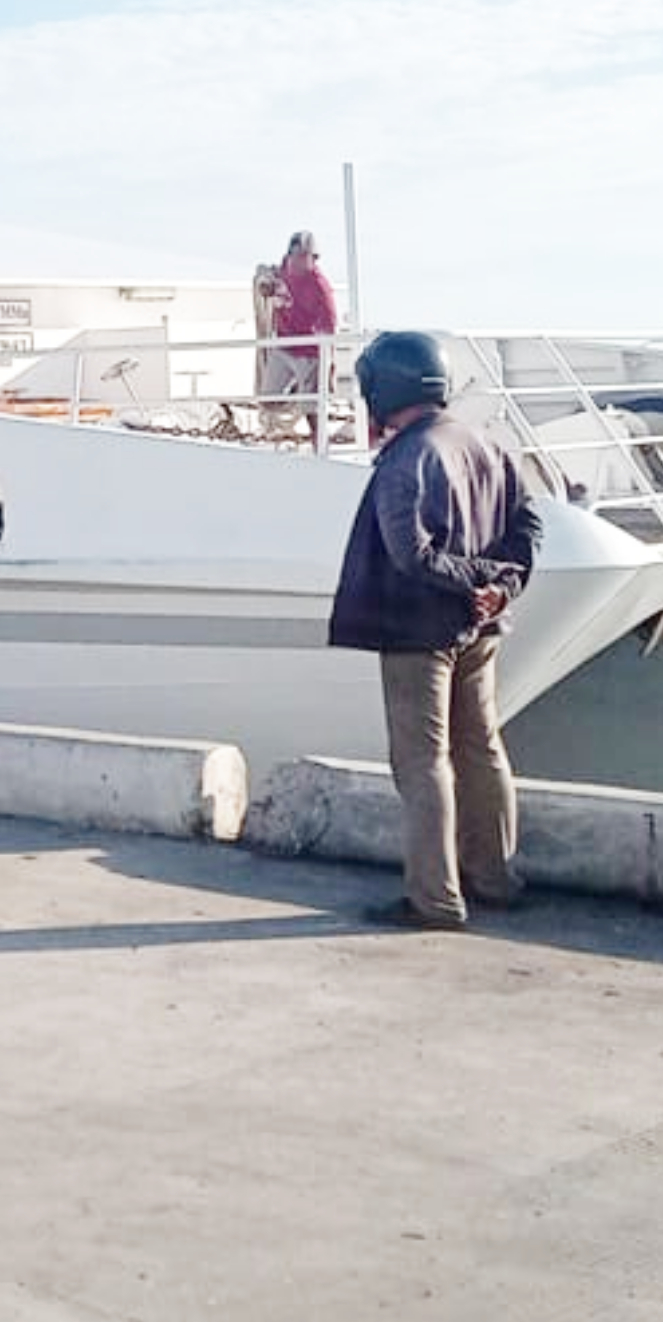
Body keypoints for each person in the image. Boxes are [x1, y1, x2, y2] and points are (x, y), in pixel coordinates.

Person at [325, 330, 543, 932]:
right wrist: (499, 587)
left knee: (423, 763)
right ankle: (496, 879)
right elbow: (528, 531)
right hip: (482, 627)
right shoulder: (489, 446)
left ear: (384, 390)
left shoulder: (407, 459)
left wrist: (470, 581)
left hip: (419, 632)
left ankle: (435, 901)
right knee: (482, 748)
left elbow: (409, 556)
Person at [265, 230, 339, 416]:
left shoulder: (319, 287)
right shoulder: (282, 270)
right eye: (295, 255)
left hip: (308, 353)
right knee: (267, 400)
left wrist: (330, 366)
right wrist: (266, 287)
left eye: (304, 256)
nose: (298, 261)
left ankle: (318, 440)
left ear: (313, 259)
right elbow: (268, 279)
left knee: (311, 411)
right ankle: (295, 394)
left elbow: (330, 329)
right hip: (283, 346)